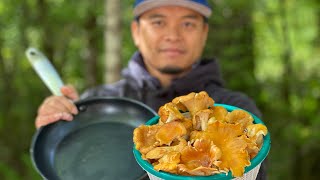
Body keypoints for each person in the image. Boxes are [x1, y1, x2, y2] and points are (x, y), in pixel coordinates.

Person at [35, 0, 267, 179]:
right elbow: (72, 166)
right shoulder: (97, 102)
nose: (173, 35)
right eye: (158, 22)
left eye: (188, 23)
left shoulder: (237, 110)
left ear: (204, 33)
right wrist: (57, 126)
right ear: (136, 31)